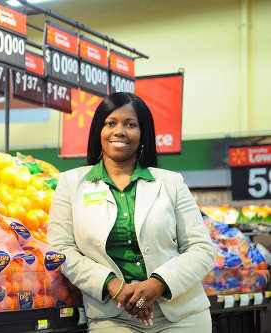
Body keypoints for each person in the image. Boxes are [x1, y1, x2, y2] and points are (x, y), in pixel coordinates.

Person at [48, 92, 216, 332]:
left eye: (130, 124)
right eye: (111, 123)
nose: (120, 131)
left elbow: (202, 249)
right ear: (99, 131)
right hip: (112, 316)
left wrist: (159, 283)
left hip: (182, 316)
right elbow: (60, 249)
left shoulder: (171, 183)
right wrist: (113, 285)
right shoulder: (70, 184)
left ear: (142, 133)